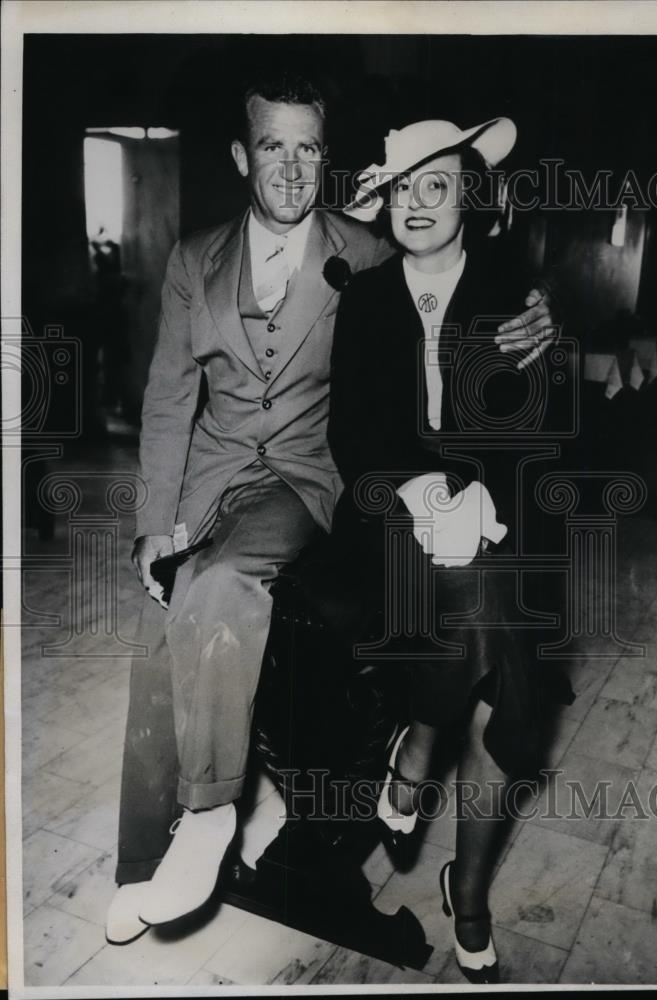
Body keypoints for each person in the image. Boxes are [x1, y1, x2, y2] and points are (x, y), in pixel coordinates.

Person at [106, 73, 558, 946]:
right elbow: (167, 398)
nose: (289, 167)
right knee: (157, 612)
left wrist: (545, 313)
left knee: (220, 586)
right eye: (272, 146)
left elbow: (463, 273)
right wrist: (153, 520)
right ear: (244, 156)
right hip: (212, 475)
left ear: (327, 159)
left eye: (307, 147)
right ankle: (144, 859)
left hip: (311, 479)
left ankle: (222, 816)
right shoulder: (193, 258)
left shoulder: (371, 246)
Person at [327, 118, 564, 984]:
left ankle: (454, 850)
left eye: (438, 185)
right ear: (384, 201)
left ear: (470, 196)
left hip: (496, 511)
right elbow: (352, 437)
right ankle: (428, 764)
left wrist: (481, 490)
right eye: (401, 187)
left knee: (512, 680)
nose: (417, 203)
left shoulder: (516, 292)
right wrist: (418, 491)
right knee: (490, 626)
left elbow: (540, 430)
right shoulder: (364, 296)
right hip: (390, 514)